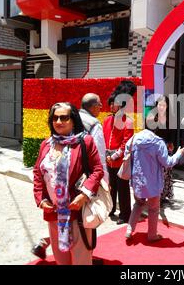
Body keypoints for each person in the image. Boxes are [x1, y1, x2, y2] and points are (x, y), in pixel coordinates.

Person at [31, 93, 109, 260]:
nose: (59, 122)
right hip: (54, 214)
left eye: (64, 118)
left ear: (73, 120)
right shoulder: (46, 144)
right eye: (55, 118)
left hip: (77, 214)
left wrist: (84, 195)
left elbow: (97, 170)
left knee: (81, 260)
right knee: (61, 260)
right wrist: (41, 199)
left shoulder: (84, 142)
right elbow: (38, 172)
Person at [124, 119, 184, 242]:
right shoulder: (158, 142)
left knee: (138, 204)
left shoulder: (135, 138)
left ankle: (129, 230)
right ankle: (152, 235)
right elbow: (168, 163)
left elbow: (127, 152)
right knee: (153, 209)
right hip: (153, 182)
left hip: (137, 179)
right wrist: (178, 154)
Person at [103, 81, 136, 224]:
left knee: (122, 189)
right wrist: (106, 156)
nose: (111, 106)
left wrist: (114, 156)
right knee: (110, 187)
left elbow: (126, 143)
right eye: (110, 104)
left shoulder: (128, 121)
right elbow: (103, 139)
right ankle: (110, 209)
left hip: (120, 160)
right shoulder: (107, 120)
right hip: (108, 159)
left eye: (114, 104)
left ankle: (125, 214)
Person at [147, 95, 176, 205]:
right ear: (156, 105)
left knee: (166, 173)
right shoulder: (151, 117)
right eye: (160, 105)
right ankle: (153, 195)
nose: (162, 107)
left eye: (164, 105)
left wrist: (171, 143)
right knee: (154, 173)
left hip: (165, 148)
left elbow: (172, 133)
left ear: (167, 106)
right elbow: (148, 133)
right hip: (153, 149)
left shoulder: (170, 117)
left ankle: (162, 196)